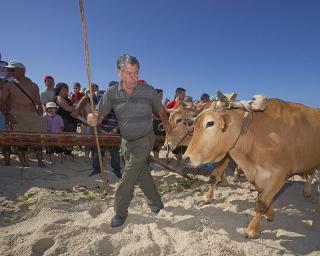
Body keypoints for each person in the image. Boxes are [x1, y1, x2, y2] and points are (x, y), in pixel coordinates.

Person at [87, 54, 172, 228]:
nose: (133, 78)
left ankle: (120, 211)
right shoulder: (111, 93)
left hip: (145, 139)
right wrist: (94, 118)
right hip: (126, 141)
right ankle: (157, 205)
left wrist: (167, 125)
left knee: (129, 175)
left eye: (136, 73)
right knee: (141, 174)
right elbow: (100, 113)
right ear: (119, 72)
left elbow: (162, 111)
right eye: (128, 73)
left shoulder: (148, 90)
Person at [0, 61, 46, 167]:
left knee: (37, 140)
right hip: (16, 115)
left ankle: (40, 161)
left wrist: (40, 113)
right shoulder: (9, 85)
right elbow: (1, 102)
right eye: (8, 70)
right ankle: (25, 164)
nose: (9, 72)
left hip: (32, 115)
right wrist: (7, 114)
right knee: (20, 141)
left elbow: (38, 102)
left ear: (22, 71)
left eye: (12, 69)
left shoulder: (34, 86)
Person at [55, 82, 78, 158]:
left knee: (71, 139)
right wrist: (78, 106)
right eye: (64, 89)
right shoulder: (59, 97)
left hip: (70, 122)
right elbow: (68, 108)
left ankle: (68, 153)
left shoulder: (67, 98)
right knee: (66, 139)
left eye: (67, 89)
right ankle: (66, 154)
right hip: (64, 122)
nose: (66, 91)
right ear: (58, 90)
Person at [152, 88, 166, 158]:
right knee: (154, 143)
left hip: (161, 126)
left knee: (159, 144)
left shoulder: (162, 105)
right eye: (160, 95)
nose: (161, 97)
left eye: (162, 95)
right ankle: (156, 159)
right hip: (154, 126)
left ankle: (156, 159)